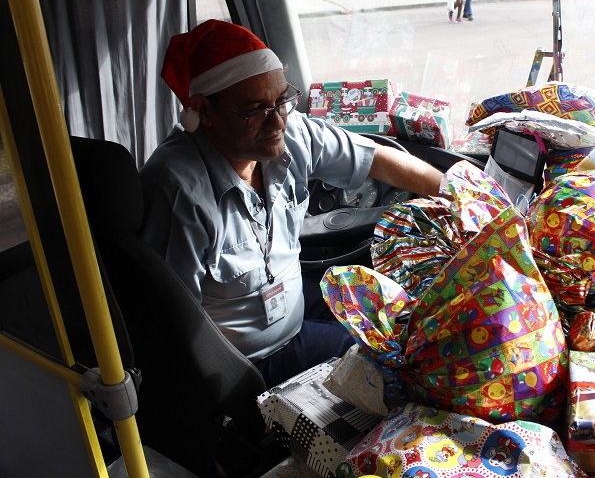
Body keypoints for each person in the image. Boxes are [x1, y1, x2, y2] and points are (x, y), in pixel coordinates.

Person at [139, 20, 445, 388]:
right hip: (250, 364)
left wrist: (457, 192)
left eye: (282, 100)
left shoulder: (290, 129)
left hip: (294, 306)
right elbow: (176, 329)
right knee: (402, 360)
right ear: (204, 110)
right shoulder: (177, 191)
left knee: (414, 314)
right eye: (255, 110)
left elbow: (376, 159)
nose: (277, 122)